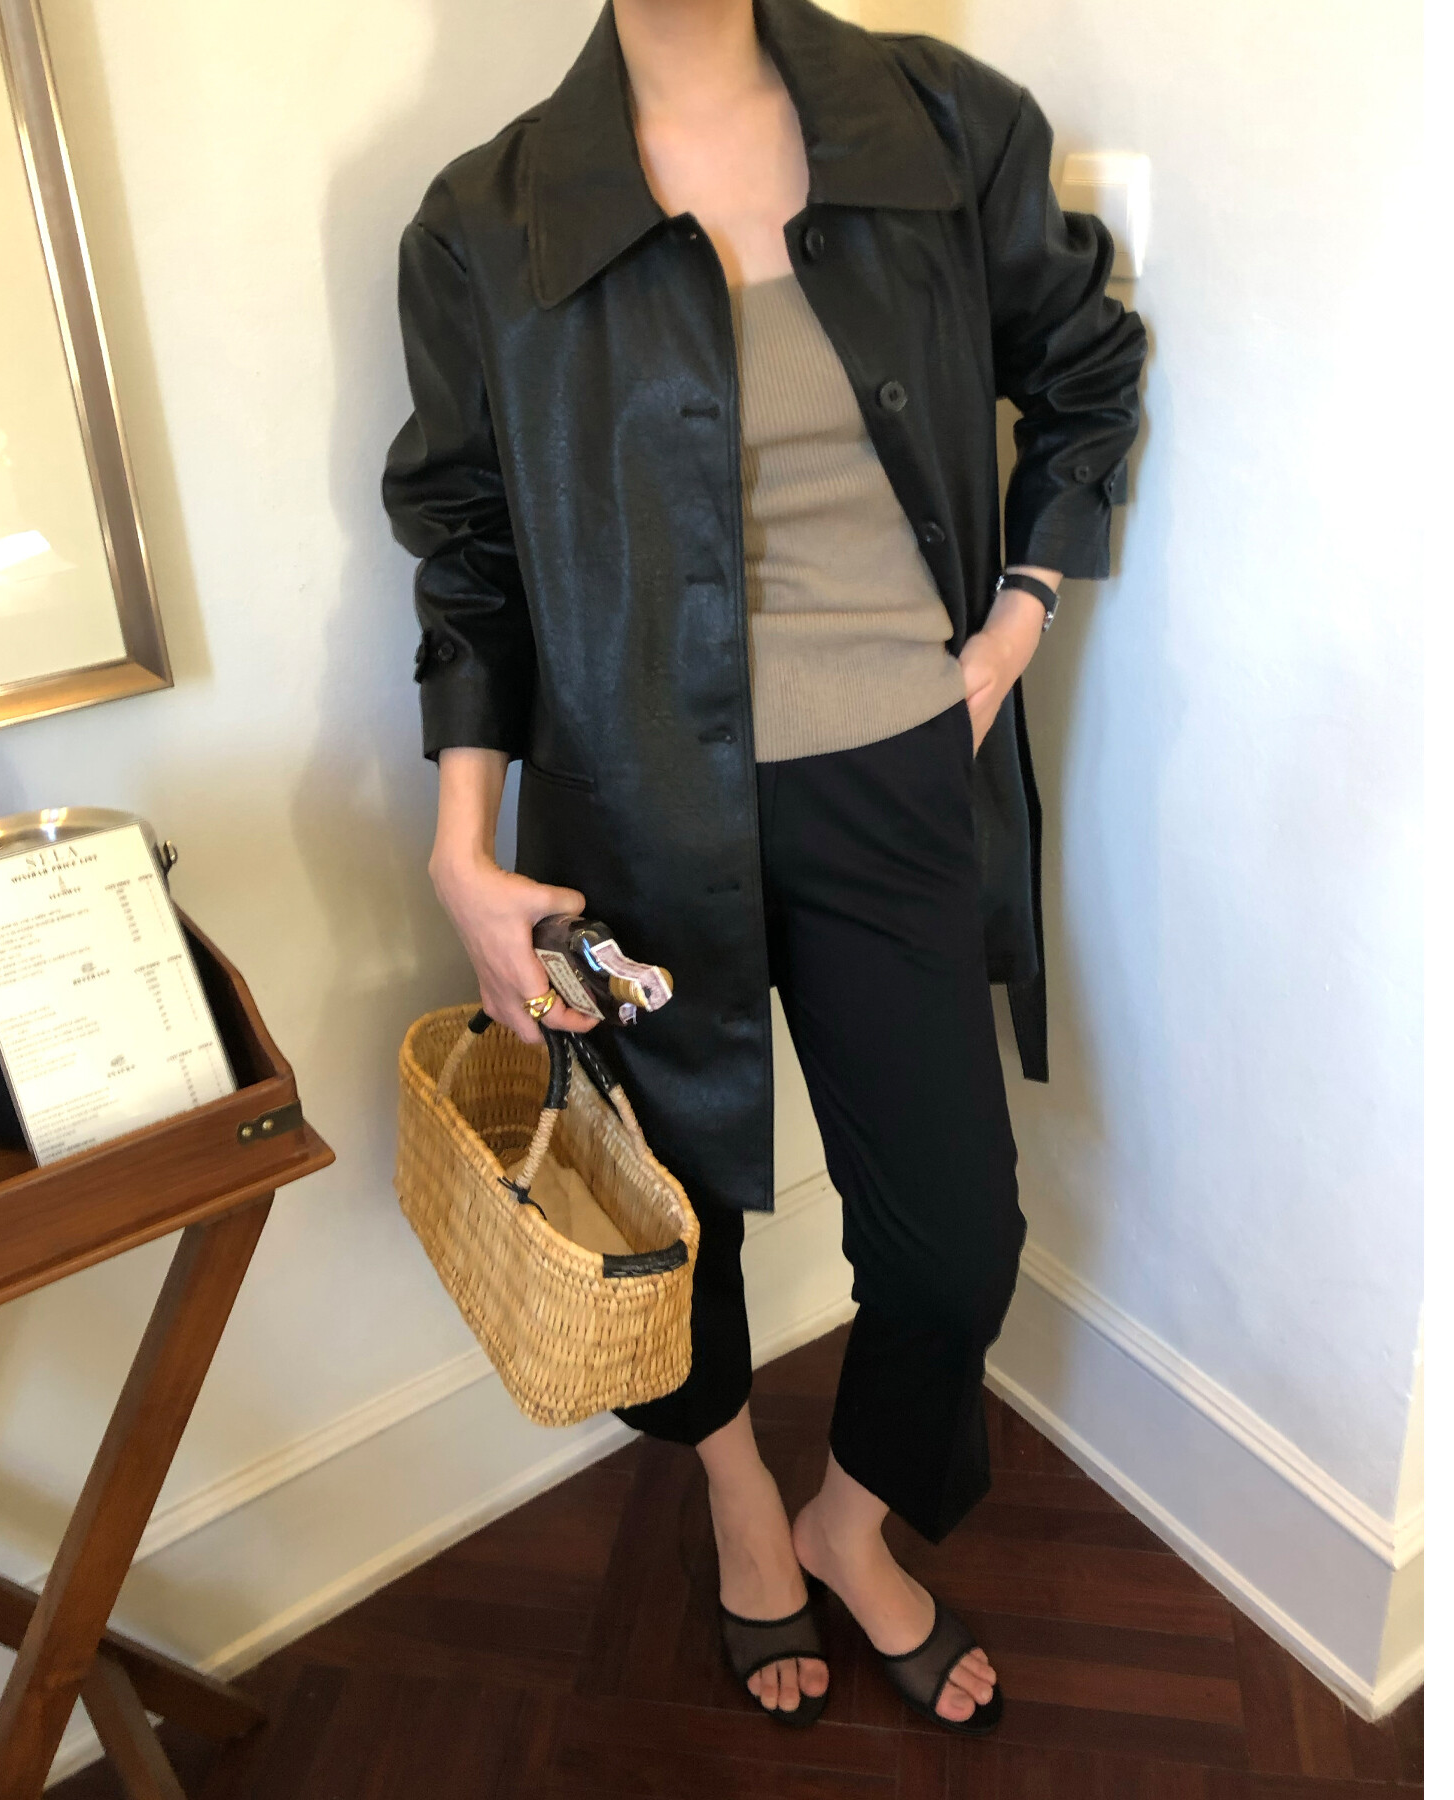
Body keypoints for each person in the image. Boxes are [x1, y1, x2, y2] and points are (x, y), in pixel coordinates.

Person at [384, 0, 1145, 1735]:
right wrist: (461, 849)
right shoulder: (487, 218)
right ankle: (739, 1500)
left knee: (954, 1243)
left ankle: (845, 1520)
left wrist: (1015, 625)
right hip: (629, 812)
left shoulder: (940, 123)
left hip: (901, 782)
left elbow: (1085, 373)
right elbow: (465, 550)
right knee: (672, 1223)